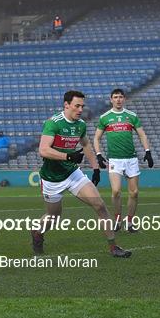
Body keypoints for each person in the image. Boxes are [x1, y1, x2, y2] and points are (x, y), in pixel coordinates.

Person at [33, 90, 131, 258]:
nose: (80, 110)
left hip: (72, 174)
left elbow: (85, 145)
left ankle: (113, 247)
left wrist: (95, 168)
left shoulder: (80, 125)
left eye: (82, 106)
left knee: (100, 205)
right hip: (52, 179)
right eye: (76, 106)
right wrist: (68, 156)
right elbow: (43, 150)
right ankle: (37, 233)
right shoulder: (53, 123)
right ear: (66, 105)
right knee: (54, 216)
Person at [93, 88, 154, 232]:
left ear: (124, 99)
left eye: (121, 97)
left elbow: (142, 135)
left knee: (134, 193)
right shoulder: (105, 117)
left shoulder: (131, 116)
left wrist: (147, 151)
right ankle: (118, 219)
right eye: (115, 97)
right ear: (111, 99)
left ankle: (130, 222)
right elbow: (96, 138)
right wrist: (99, 154)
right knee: (116, 191)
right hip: (115, 160)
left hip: (131, 159)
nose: (118, 99)